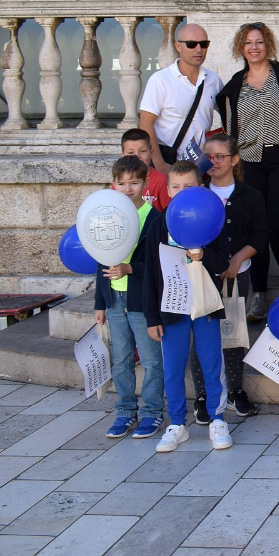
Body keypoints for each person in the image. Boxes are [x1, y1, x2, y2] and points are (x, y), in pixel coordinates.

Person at [215, 22, 279, 321]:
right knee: (253, 225)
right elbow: (231, 132)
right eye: (248, 43)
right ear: (240, 48)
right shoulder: (235, 85)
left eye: (259, 41)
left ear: (268, 44)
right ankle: (258, 293)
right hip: (249, 161)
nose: (254, 47)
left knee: (277, 221)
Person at [144, 160, 233, 453]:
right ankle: (177, 424)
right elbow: (151, 274)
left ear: (201, 187)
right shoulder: (159, 224)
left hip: (205, 304)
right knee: (173, 366)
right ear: (168, 190)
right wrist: (152, 317)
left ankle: (217, 419)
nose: (182, 192)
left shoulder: (211, 217)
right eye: (176, 187)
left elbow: (223, 263)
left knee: (211, 362)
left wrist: (203, 255)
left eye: (189, 186)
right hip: (172, 307)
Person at [94, 155, 164, 439]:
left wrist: (130, 268)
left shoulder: (154, 219)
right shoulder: (107, 215)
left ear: (145, 183)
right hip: (114, 299)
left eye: (134, 182)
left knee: (150, 360)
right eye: (122, 183)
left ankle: (152, 411)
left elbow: (159, 266)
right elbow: (99, 258)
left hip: (142, 300)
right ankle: (125, 411)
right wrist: (99, 303)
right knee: (121, 359)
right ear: (114, 184)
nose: (128, 188)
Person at [201, 133, 268, 420]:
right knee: (202, 335)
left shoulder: (250, 195)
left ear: (234, 160)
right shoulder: (198, 193)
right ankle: (204, 394)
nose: (213, 162)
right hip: (203, 275)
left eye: (220, 156)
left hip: (236, 275)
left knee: (234, 333)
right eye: (209, 157)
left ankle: (234, 390)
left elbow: (260, 235)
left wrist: (237, 259)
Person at [138, 22, 222, 173]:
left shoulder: (213, 80)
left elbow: (230, 114)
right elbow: (145, 123)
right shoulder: (161, 80)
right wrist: (160, 165)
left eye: (204, 44)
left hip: (200, 165)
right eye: (191, 44)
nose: (198, 49)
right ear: (178, 46)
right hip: (168, 162)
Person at [118, 128, 169, 211]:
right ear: (122, 156)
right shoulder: (119, 180)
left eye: (142, 151)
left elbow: (167, 212)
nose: (137, 156)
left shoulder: (161, 180)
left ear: (151, 153)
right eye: (130, 152)